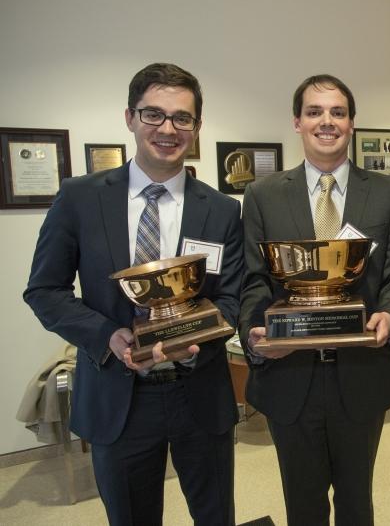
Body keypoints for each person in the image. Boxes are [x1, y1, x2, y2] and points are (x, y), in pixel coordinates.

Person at [23, 63, 242, 526]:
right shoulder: (79, 198)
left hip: (199, 390)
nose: (168, 129)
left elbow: (233, 297)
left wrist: (197, 335)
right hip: (118, 398)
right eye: (154, 114)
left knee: (216, 516)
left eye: (182, 118)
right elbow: (44, 290)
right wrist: (109, 336)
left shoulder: (222, 210)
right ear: (130, 117)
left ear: (197, 127)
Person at [239, 74, 390, 526]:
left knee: (358, 502)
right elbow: (254, 281)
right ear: (297, 122)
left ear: (352, 123)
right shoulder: (262, 196)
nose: (327, 121)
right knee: (303, 505)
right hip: (289, 375)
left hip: (360, 374)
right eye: (315, 112)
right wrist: (256, 335)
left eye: (338, 112)